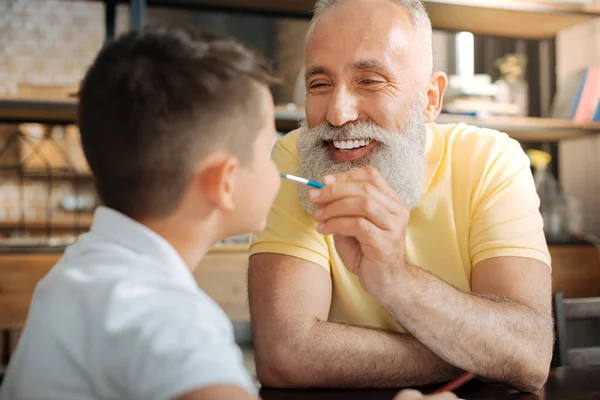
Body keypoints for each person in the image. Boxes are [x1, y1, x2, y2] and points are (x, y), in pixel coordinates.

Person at [248, 0, 554, 393]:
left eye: (370, 81)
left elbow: (528, 355)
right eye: (320, 84)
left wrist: (396, 281)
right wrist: (474, 353)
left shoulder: (490, 159)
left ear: (430, 99)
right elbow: (286, 354)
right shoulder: (296, 156)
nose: (338, 114)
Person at [0, 27, 281, 400]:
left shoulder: (77, 272)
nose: (277, 167)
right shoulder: (167, 317)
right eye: (269, 148)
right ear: (224, 182)